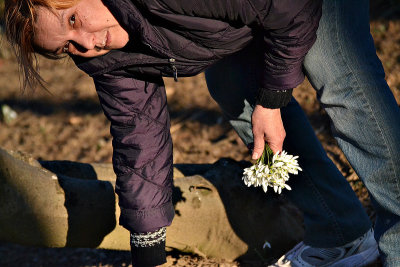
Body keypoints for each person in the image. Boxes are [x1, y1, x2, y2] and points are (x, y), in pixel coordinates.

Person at [3, 0, 399, 266]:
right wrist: (147, 241)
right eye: (68, 48)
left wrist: (274, 97)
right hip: (245, 15)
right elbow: (138, 135)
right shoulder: (104, 56)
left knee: (344, 86)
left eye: (74, 19)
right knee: (233, 88)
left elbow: (289, 8)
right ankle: (339, 233)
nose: (88, 43)